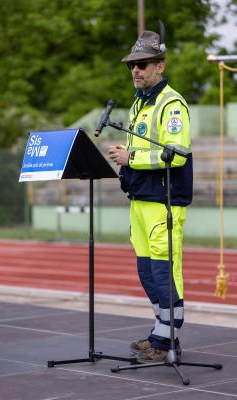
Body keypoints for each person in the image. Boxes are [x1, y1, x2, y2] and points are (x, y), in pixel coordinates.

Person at [108, 26, 193, 362]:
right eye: (132, 65)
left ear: (160, 66)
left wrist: (132, 159)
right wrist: (126, 160)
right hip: (141, 199)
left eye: (143, 64)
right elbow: (144, 149)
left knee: (163, 270)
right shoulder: (139, 105)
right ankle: (160, 333)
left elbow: (177, 152)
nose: (135, 70)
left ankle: (168, 341)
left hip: (164, 201)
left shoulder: (172, 104)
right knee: (146, 270)